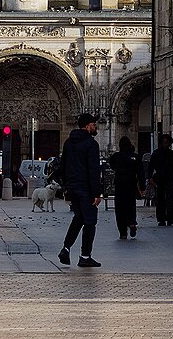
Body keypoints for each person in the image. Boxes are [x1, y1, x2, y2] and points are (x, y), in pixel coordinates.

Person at [57, 113, 103, 268]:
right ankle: (85, 256)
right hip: (86, 189)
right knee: (90, 221)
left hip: (72, 188)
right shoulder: (91, 144)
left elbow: (63, 166)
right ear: (87, 126)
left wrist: (66, 186)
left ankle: (66, 248)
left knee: (79, 218)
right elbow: (94, 170)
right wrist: (96, 193)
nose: (96, 127)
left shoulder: (68, 142)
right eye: (94, 124)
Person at [109, 136, 145, 239]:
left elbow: (112, 166)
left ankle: (123, 232)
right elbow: (140, 172)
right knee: (131, 205)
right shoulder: (135, 157)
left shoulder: (116, 156)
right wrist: (142, 186)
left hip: (120, 185)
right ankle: (132, 222)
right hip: (131, 184)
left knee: (120, 208)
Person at [150, 133, 173, 226]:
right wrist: (149, 178)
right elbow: (151, 166)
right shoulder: (156, 154)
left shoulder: (172, 154)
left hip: (168, 178)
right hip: (160, 178)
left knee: (168, 198)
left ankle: (169, 218)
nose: (166, 144)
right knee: (160, 199)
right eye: (164, 142)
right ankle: (162, 219)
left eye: (167, 142)